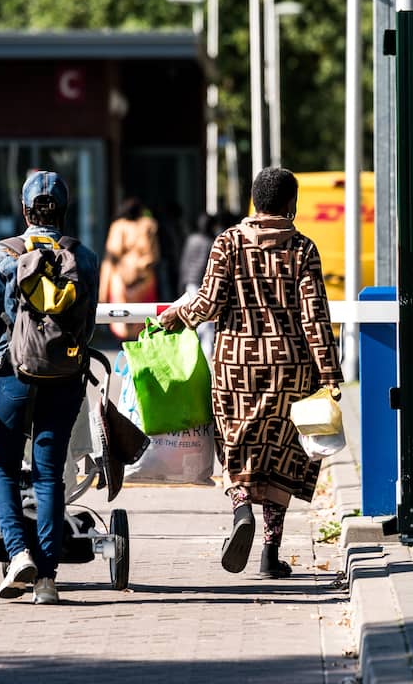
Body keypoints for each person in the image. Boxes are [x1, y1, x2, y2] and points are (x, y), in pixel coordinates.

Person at [157, 167, 343, 578]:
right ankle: (269, 554)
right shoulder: (303, 249)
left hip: (235, 368)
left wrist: (176, 316)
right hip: (290, 372)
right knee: (281, 456)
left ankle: (241, 509)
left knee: (237, 447)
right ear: (291, 204)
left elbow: (207, 303)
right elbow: (315, 318)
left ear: (254, 201)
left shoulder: (228, 242)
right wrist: (330, 374)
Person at [0, 170, 100, 605]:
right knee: (50, 471)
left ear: (24, 210)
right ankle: (48, 580)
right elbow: (87, 325)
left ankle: (17, 553)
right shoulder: (84, 257)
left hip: (11, 374)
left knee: (1, 465)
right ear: (65, 211)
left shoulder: (2, 256)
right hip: (65, 375)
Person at [99, 197, 160, 339]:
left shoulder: (119, 226)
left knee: (122, 316)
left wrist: (103, 290)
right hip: (141, 277)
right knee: (142, 318)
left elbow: (111, 256)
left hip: (123, 277)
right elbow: (154, 254)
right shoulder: (148, 225)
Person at [178, 212, 219, 355]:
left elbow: (184, 261)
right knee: (205, 318)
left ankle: (195, 349)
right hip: (202, 283)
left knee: (193, 315)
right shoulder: (211, 242)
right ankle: (206, 350)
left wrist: (182, 281)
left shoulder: (191, 239)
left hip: (190, 282)